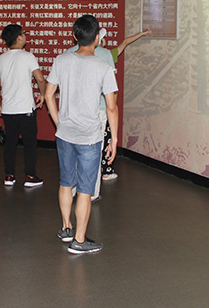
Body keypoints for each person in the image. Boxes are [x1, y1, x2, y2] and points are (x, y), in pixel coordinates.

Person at [46, 15, 119, 254]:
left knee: (66, 183)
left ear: (74, 36)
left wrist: (58, 122)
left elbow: (48, 95)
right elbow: (111, 107)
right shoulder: (103, 67)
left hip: (65, 135)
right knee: (85, 191)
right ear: (97, 38)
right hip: (90, 137)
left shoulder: (61, 60)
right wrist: (114, 139)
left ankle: (66, 227)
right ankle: (79, 240)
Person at [0, 24, 47, 187]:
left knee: (10, 143)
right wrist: (43, 94)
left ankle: (9, 176)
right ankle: (30, 176)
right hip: (26, 110)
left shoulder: (0, 59)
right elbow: (40, 79)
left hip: (8, 110)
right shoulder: (28, 57)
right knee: (30, 144)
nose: (25, 36)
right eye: (23, 33)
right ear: (18, 38)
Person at [65, 33, 116, 202]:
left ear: (75, 35)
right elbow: (111, 92)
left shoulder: (68, 54)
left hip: (73, 111)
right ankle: (91, 192)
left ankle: (72, 190)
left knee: (73, 150)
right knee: (94, 153)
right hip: (99, 110)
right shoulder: (105, 54)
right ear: (97, 36)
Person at [99, 27, 152, 181]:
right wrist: (142, 33)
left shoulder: (83, 55)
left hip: (88, 109)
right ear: (99, 40)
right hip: (104, 107)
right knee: (107, 140)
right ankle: (106, 170)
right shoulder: (108, 54)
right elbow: (126, 42)